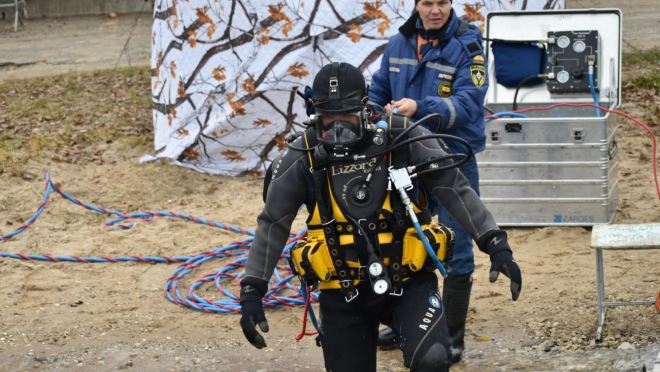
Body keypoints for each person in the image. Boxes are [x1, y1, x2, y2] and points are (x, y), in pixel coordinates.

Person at [238, 61, 521, 372]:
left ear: (363, 108)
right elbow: (273, 222)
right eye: (328, 119)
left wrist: (495, 243)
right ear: (314, 114)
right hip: (342, 292)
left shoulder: (402, 137)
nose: (338, 129)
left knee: (433, 360)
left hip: (409, 282)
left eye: (346, 116)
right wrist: (253, 290)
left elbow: (454, 188)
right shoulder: (302, 155)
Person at [367, 0, 490, 362]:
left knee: (457, 248)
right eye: (427, 3)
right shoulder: (397, 43)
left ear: (451, 4)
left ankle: (452, 334)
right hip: (404, 158)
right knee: (401, 241)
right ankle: (408, 322)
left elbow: (470, 103)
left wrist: (420, 109)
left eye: (441, 2)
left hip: (452, 160)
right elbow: (377, 92)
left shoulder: (468, 46)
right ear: (416, 5)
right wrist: (376, 116)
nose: (434, 10)